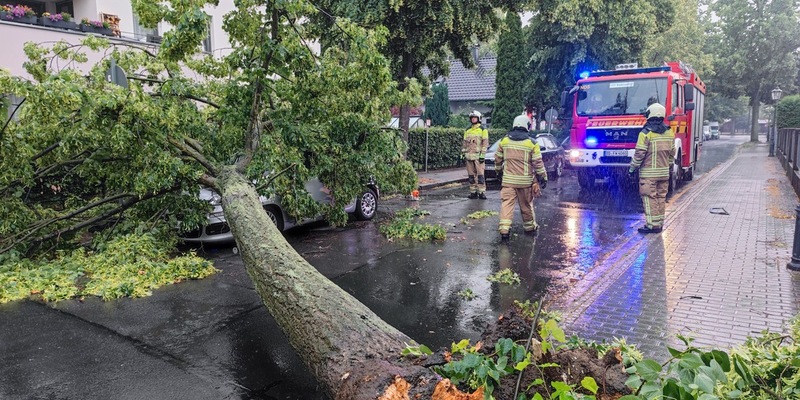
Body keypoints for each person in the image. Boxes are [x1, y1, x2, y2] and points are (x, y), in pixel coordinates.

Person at [495, 115, 548, 242]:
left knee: (506, 205)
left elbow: (497, 159)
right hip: (525, 182)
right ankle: (529, 228)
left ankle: (504, 231)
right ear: (526, 126)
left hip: (508, 181)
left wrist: (498, 172)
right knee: (526, 206)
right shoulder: (532, 143)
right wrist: (543, 177)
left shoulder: (504, 141)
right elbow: (538, 163)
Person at [628, 103, 675, 234]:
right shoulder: (669, 131)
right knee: (660, 198)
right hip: (664, 173)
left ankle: (651, 226)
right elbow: (672, 153)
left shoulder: (646, 133)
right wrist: (668, 165)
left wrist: (632, 168)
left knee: (649, 199)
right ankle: (659, 224)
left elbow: (639, 153)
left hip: (649, 174)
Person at [462, 110, 489, 199]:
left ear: (479, 118)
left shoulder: (483, 129)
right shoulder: (467, 130)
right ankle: (473, 192)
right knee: (471, 176)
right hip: (469, 157)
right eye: (472, 118)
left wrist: (483, 155)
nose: (473, 119)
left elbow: (485, 143)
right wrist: (463, 153)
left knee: (480, 175)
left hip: (478, 157)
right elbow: (465, 143)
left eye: (475, 118)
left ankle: (481, 192)